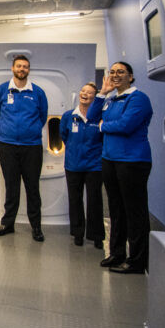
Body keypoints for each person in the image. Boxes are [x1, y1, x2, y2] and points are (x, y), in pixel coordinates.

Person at [86, 61, 152, 274]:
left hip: (132, 161)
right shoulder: (111, 99)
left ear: (130, 77)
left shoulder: (138, 99)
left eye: (120, 72)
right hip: (110, 159)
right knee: (115, 209)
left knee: (134, 212)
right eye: (112, 72)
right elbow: (92, 117)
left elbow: (126, 125)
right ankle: (116, 253)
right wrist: (102, 93)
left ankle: (137, 260)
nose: (115, 75)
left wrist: (104, 126)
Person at [0, 55, 48, 241]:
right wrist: (8, 130)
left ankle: (36, 227)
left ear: (29, 70)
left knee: (32, 188)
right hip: (7, 146)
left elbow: (42, 116)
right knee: (11, 186)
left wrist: (28, 131)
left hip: (31, 147)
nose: (22, 69)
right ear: (12, 68)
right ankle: (7, 224)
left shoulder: (37, 92)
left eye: (25, 66)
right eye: (19, 66)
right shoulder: (2, 90)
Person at [60, 83, 105, 248]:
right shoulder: (68, 116)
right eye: (83, 91)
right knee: (75, 199)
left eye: (89, 92)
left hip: (94, 165)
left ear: (95, 97)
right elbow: (64, 136)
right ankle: (78, 233)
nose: (85, 94)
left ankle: (97, 236)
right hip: (73, 164)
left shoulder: (99, 117)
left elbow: (103, 139)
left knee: (95, 200)